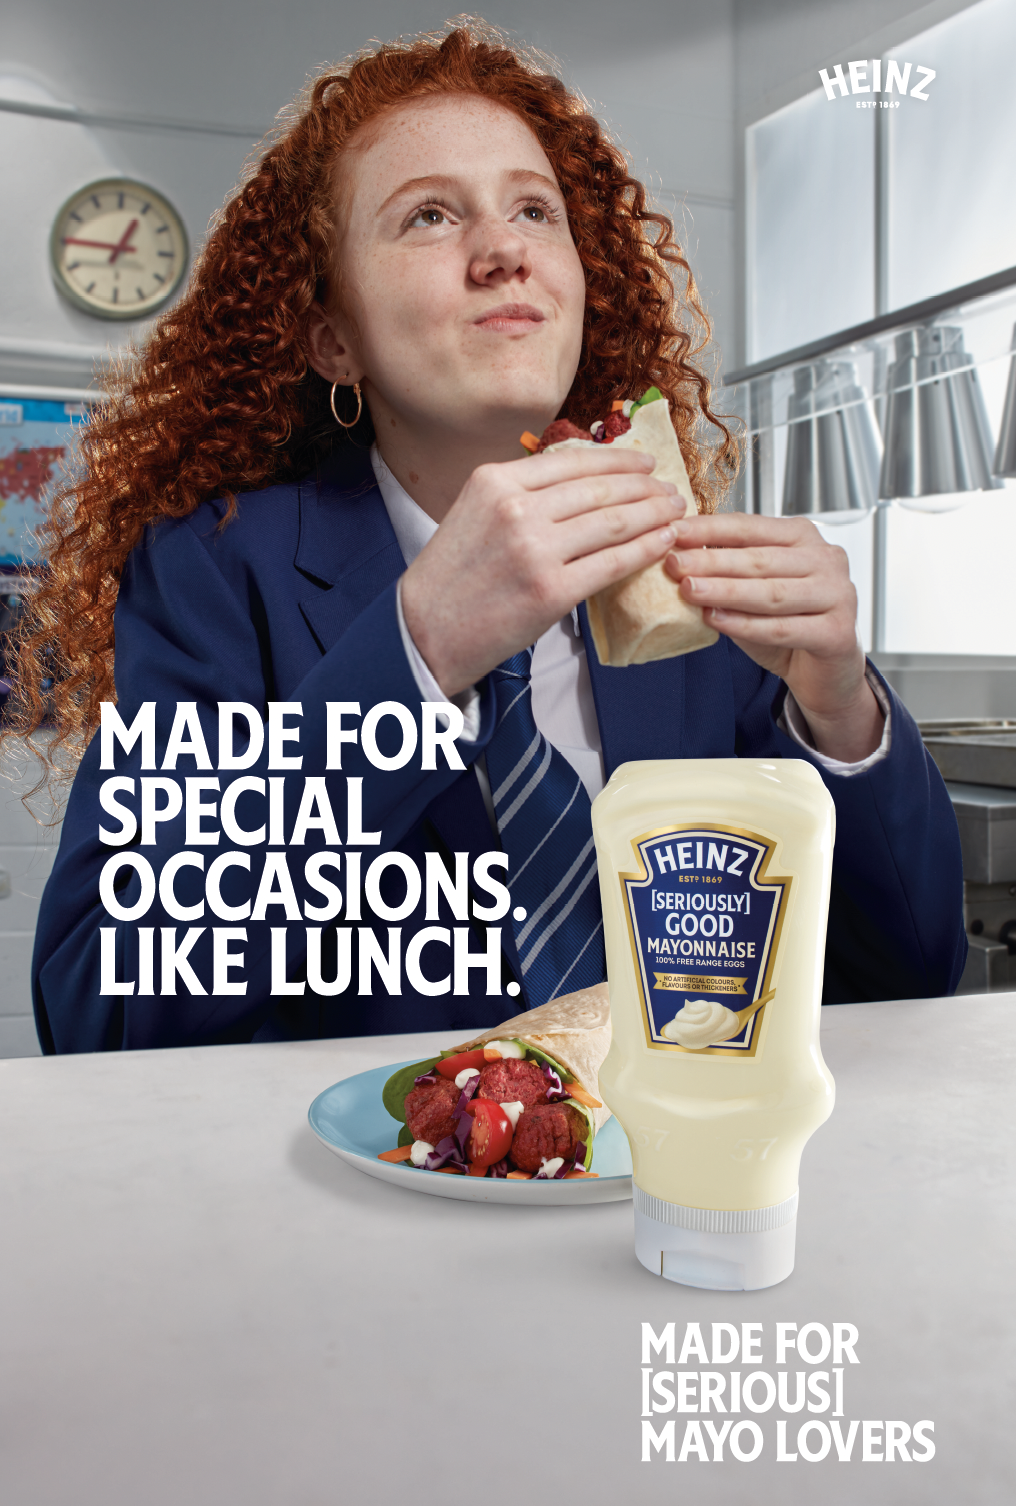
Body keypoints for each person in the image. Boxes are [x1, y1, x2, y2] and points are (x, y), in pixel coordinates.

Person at [14, 23, 965, 1053]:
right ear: (334, 339)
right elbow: (100, 1016)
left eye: (534, 210)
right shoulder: (211, 569)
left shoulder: (681, 574)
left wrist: (839, 709)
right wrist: (419, 651)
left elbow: (906, 977)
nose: (505, 250)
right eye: (428, 215)